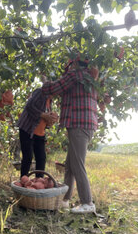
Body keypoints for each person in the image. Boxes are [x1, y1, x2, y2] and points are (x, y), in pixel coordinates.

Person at [42, 56, 98, 214]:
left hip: (79, 124)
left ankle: (87, 202)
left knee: (78, 164)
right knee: (70, 165)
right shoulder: (90, 77)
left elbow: (51, 89)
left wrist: (45, 80)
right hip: (86, 125)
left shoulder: (75, 75)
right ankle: (65, 199)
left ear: (74, 63)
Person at [17, 88, 58, 178]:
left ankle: (39, 183)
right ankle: (23, 182)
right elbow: (29, 106)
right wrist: (44, 115)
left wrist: (50, 121)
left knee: (41, 158)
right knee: (28, 157)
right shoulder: (41, 92)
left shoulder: (50, 101)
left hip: (40, 133)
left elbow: (42, 119)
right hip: (28, 129)